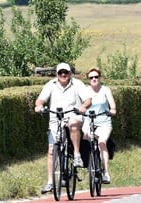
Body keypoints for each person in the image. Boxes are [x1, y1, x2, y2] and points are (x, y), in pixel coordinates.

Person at [34, 62, 90, 194]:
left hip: (72, 115)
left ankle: (77, 154)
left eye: (66, 72)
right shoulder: (50, 85)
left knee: (74, 124)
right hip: (55, 119)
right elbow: (40, 100)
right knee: (52, 150)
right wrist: (39, 106)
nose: (63, 75)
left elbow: (87, 100)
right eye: (60, 73)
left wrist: (83, 107)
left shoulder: (78, 84)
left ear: (70, 73)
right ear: (57, 74)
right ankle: (50, 182)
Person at [80, 67, 117, 184]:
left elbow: (112, 105)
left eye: (96, 77)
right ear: (88, 79)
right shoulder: (85, 91)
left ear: (99, 78)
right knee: (85, 138)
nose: (94, 79)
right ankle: (87, 164)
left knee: (102, 142)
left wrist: (112, 110)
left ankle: (106, 172)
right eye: (91, 77)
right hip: (89, 121)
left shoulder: (105, 90)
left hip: (103, 122)